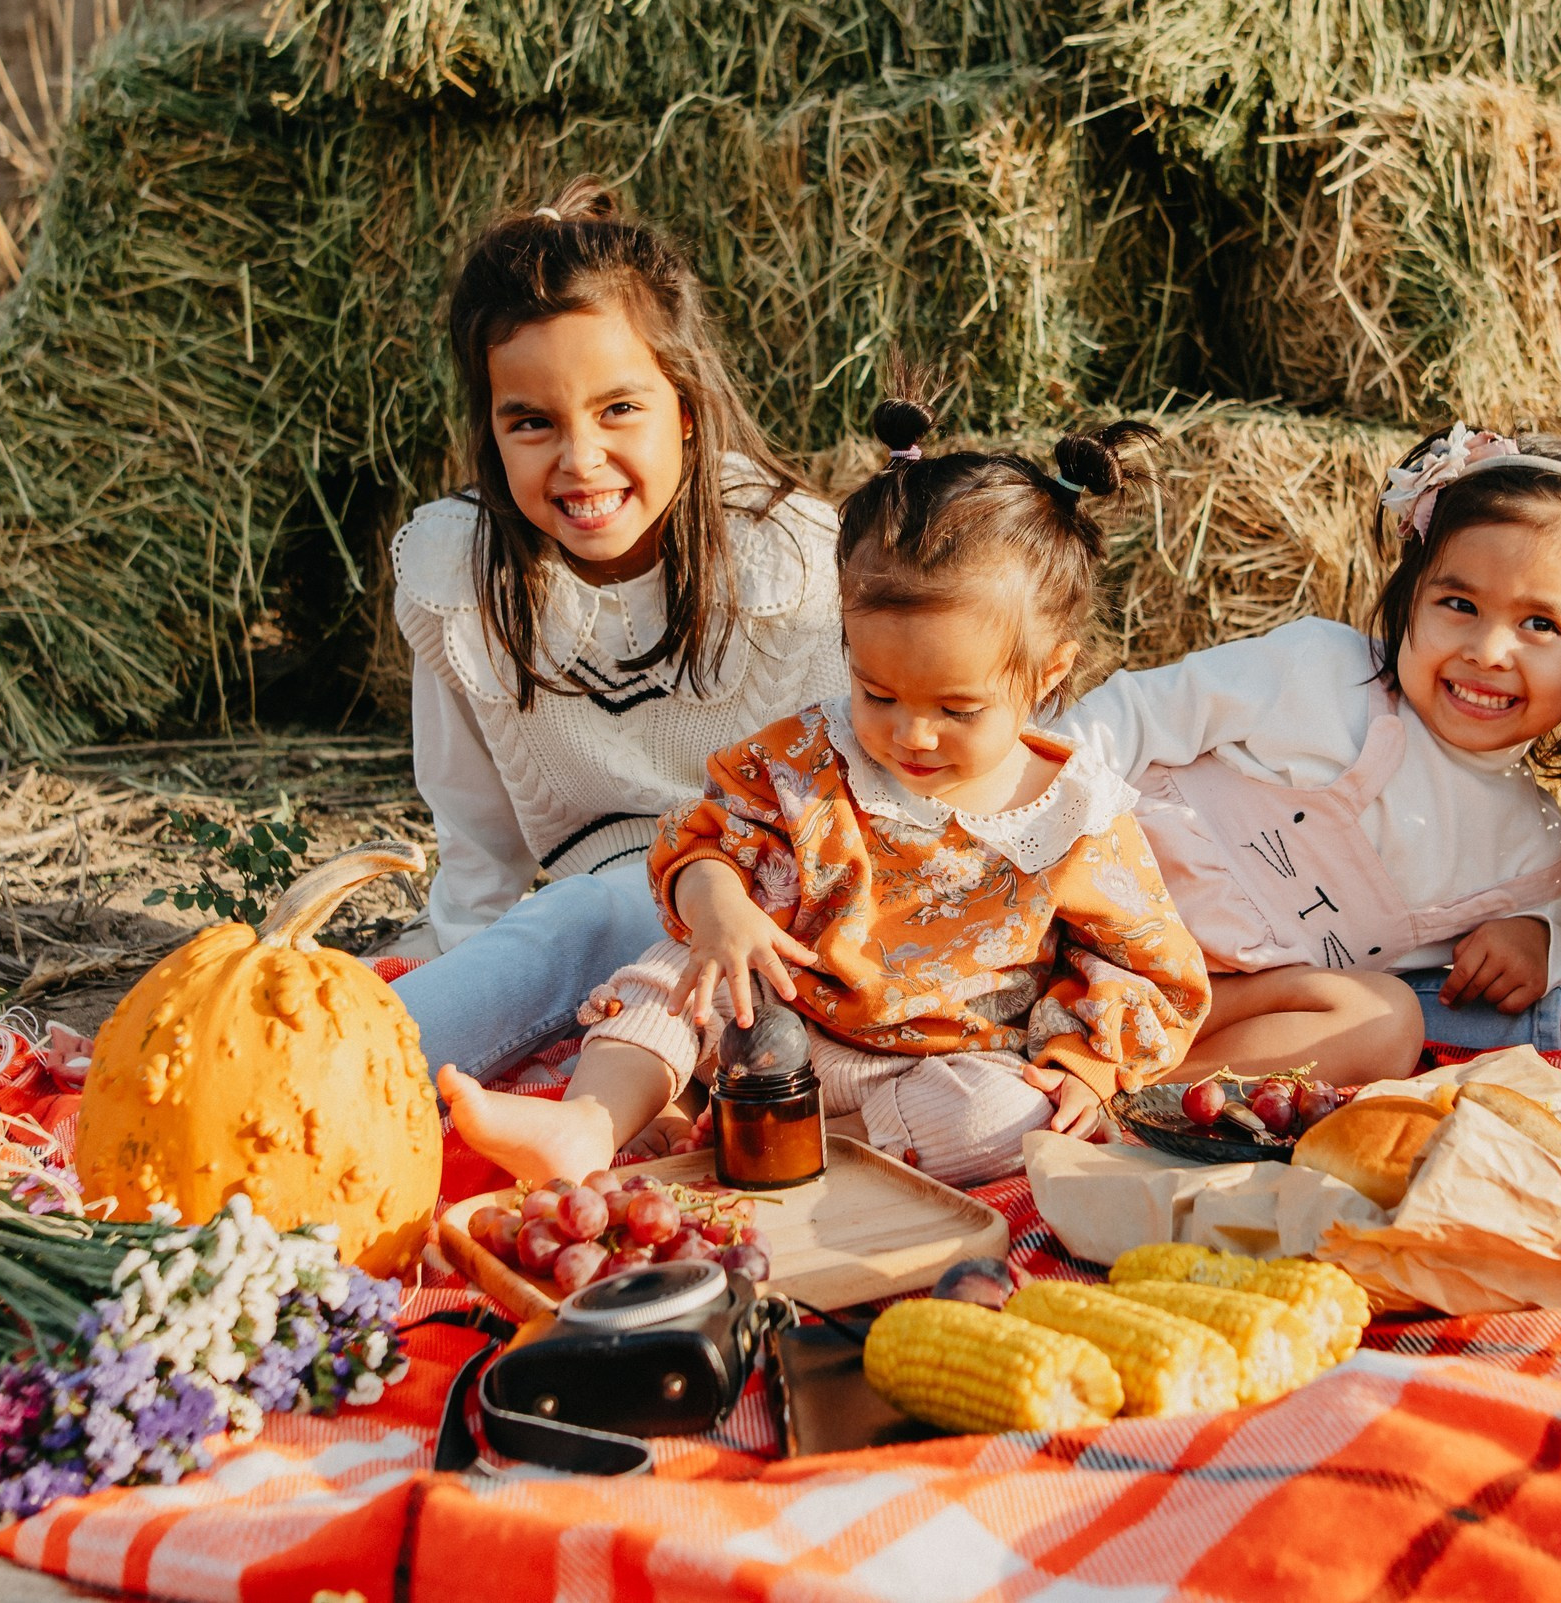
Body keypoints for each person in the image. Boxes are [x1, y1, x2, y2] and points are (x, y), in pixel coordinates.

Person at [437, 395, 1213, 1186]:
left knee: (1015, 1118)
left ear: (1047, 674)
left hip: (932, 1071)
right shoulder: (811, 758)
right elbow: (705, 840)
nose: (911, 734)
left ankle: (777, 1141)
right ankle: (589, 1120)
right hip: (775, 1016)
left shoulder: (1076, 817)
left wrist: (1087, 1064)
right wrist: (720, 910)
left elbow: (1148, 967)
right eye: (878, 692)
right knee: (682, 964)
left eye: (957, 709)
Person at [1063, 424, 1561, 1086]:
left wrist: (1533, 944)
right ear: (1410, 598)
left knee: (1390, 1022)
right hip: (1087, 926)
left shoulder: (1527, 840)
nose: (1488, 651)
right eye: (1459, 605)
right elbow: (1135, 715)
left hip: (1215, 1010)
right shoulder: (1320, 674)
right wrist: (1025, 811)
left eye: (1540, 623)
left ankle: (1137, 1088)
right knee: (1396, 1014)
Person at [383, 178, 847, 1104]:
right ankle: (365, 1064)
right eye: (532, 422)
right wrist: (479, 978)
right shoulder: (458, 576)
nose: (580, 457)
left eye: (618, 409)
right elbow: (474, 830)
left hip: (774, 915)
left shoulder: (782, 555)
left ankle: (358, 1071)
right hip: (588, 905)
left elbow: (848, 785)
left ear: (684, 405)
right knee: (564, 925)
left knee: (586, 924)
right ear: (490, 430)